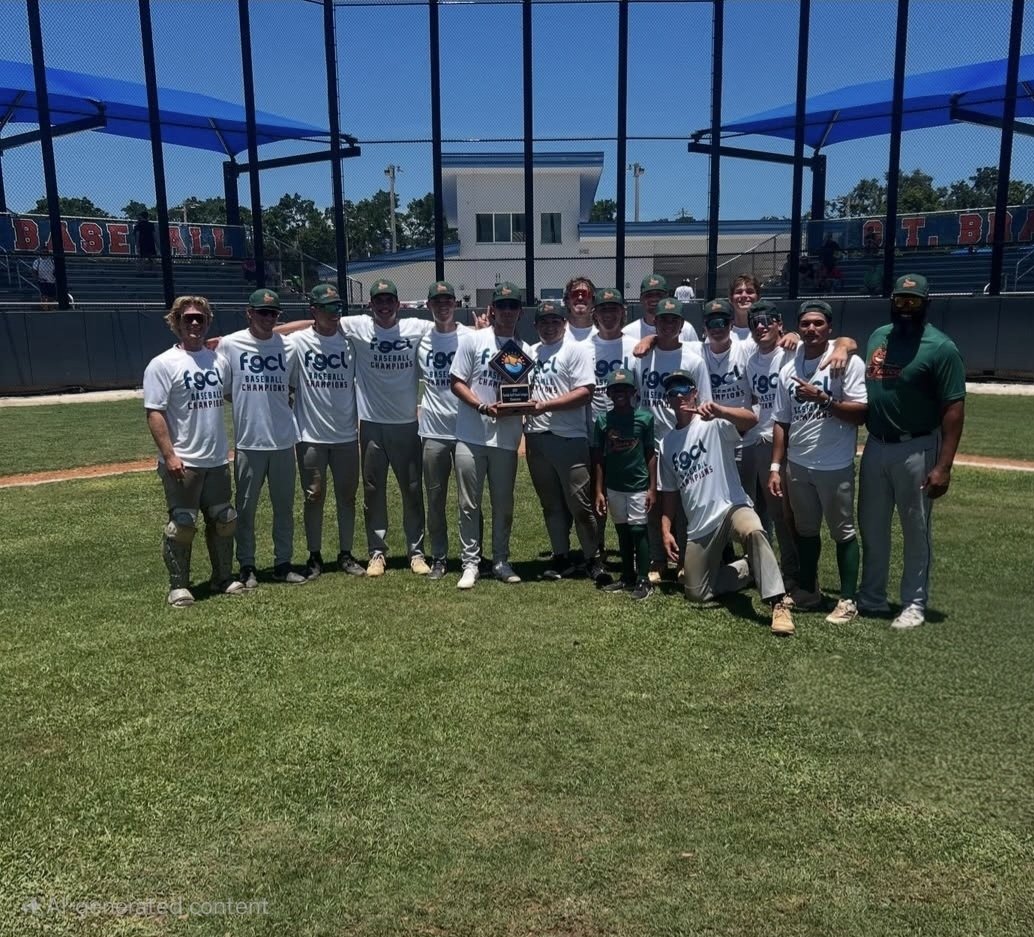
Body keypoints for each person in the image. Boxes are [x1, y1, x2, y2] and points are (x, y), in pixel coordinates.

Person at [281, 279, 433, 576]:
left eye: (390, 300)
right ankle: (377, 552)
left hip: (406, 424)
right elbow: (308, 324)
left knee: (412, 490)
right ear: (370, 305)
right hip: (371, 425)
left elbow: (450, 329)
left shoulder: (417, 327)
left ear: (399, 303)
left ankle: (416, 553)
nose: (385, 305)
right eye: (379, 300)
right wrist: (256, 333)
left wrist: (484, 330)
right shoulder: (356, 326)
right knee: (373, 491)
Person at [857, 273, 966, 630]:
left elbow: (953, 408)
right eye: (901, 301)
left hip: (918, 445)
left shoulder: (940, 347)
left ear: (925, 304)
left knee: (915, 528)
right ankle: (871, 597)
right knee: (872, 526)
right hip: (876, 444)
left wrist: (944, 465)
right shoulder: (878, 336)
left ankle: (914, 603)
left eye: (913, 302)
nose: (906, 308)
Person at [657, 370, 796, 636]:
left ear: (695, 392)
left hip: (731, 506)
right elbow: (670, 492)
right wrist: (665, 530)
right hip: (700, 526)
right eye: (672, 392)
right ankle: (751, 567)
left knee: (753, 530)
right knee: (697, 593)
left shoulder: (713, 422)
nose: (678, 396)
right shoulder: (666, 443)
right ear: (668, 400)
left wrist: (720, 410)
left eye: (684, 389)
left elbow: (752, 420)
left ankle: (777, 603)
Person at [768, 300, 868, 624]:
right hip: (799, 464)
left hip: (834, 463)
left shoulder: (845, 364)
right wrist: (775, 466)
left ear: (829, 328)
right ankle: (809, 591)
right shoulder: (788, 369)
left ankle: (848, 599)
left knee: (843, 531)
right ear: (799, 327)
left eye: (818, 324)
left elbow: (860, 413)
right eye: (806, 324)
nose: (812, 329)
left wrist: (824, 398)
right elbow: (781, 421)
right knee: (806, 530)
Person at [143, 295, 244, 606]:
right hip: (183, 461)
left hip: (216, 459)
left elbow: (230, 396)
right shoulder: (162, 364)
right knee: (182, 524)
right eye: (188, 318)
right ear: (176, 323)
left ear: (208, 322)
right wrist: (170, 456)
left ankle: (222, 578)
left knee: (224, 519)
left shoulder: (219, 362)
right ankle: (178, 586)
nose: (195, 323)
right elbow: (155, 413)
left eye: (200, 318)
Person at [220, 288, 307, 587]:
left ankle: (283, 563)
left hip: (284, 440)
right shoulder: (230, 345)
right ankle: (247, 566)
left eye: (273, 313)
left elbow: (292, 387)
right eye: (262, 312)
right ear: (249, 313)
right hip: (249, 442)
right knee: (246, 509)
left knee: (284, 509)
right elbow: (227, 391)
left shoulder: (288, 348)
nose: (268, 318)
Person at [449, 282, 531, 588]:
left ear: (520, 312)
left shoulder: (524, 349)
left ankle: (500, 560)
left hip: (506, 438)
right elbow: (457, 382)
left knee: (503, 503)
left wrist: (523, 405)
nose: (507, 312)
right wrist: (483, 406)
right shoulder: (474, 340)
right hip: (471, 435)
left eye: (513, 306)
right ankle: (470, 563)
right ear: (492, 309)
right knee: (469, 504)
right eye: (502, 306)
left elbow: (523, 393)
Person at [524, 299, 606, 583]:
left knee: (580, 503)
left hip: (569, 437)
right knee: (551, 504)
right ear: (535, 326)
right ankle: (561, 556)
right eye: (543, 322)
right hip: (536, 437)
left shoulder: (576, 350)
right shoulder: (530, 352)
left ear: (564, 323)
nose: (549, 327)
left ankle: (593, 557)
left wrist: (545, 406)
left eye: (554, 322)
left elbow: (585, 392)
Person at [288, 282, 366, 580]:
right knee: (313, 496)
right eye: (328, 308)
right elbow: (272, 334)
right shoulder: (298, 342)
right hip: (310, 436)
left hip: (346, 435)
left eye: (338, 308)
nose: (336, 314)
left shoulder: (350, 342)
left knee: (347, 497)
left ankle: (346, 553)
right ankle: (314, 555)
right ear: (314, 311)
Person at [632, 297, 711, 583]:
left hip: (683, 438)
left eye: (673, 320)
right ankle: (658, 558)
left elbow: (704, 402)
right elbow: (636, 396)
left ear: (681, 324)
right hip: (651, 441)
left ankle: (683, 558)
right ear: (655, 321)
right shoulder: (641, 357)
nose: (667, 325)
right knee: (652, 502)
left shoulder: (693, 360)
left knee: (685, 503)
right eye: (662, 319)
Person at [742, 299, 799, 586]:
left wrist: (796, 335)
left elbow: (842, 343)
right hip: (761, 440)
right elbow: (754, 400)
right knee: (764, 510)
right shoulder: (751, 360)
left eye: (767, 321)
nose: (760, 327)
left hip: (790, 441)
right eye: (755, 323)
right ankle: (766, 568)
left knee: (786, 513)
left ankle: (792, 571)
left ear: (779, 324)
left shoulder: (792, 351)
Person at [418, 280, 471, 580]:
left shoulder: (470, 336)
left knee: (469, 499)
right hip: (434, 431)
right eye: (437, 302)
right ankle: (439, 556)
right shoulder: (421, 338)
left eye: (448, 301)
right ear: (429, 306)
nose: (443, 306)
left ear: (455, 304)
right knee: (435, 498)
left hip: (467, 430)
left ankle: (471, 557)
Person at [593, 368, 656, 600]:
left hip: (638, 483)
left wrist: (652, 487)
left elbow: (650, 453)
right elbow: (599, 457)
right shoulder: (602, 420)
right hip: (614, 484)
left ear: (633, 392)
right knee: (621, 529)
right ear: (608, 393)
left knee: (638, 530)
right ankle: (627, 575)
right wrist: (599, 490)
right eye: (615, 389)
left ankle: (643, 578)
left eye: (625, 389)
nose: (620, 393)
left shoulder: (645, 418)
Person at [623, 273, 699, 344]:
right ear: (641, 299)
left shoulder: (686, 329)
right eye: (649, 295)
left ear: (667, 297)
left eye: (659, 295)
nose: (654, 299)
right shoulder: (628, 332)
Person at [563, 276, 597, 342]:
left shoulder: (604, 334)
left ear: (593, 301)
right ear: (567, 301)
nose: (580, 298)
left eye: (585, 294)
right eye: (575, 294)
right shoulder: (556, 333)